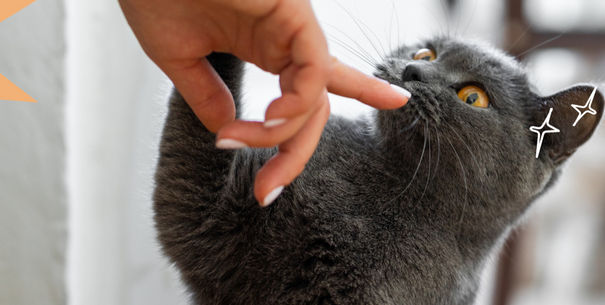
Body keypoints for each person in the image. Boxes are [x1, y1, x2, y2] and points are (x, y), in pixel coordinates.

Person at [118, 0, 411, 206]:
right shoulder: (342, 147)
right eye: (425, 54)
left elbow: (199, 229)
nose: (419, 70)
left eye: (461, 94)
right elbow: (204, 216)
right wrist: (223, 40)